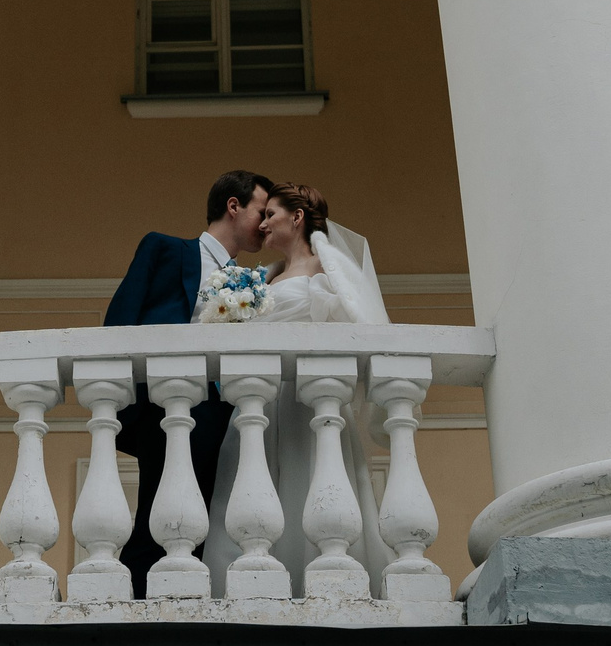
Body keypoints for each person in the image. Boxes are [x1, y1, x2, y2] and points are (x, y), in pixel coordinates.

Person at [199, 181, 395, 597]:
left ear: (298, 217)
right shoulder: (264, 278)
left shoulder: (329, 269)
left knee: (308, 483)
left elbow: (362, 326)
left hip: (307, 400)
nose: (264, 223)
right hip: (259, 402)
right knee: (248, 487)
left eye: (271, 214)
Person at [102, 168, 271, 595]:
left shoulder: (252, 283)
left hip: (225, 417)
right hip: (167, 408)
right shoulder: (164, 249)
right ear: (233, 207)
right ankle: (132, 607)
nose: (266, 222)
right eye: (260, 211)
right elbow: (120, 321)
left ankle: (186, 600)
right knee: (156, 518)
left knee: (207, 523)